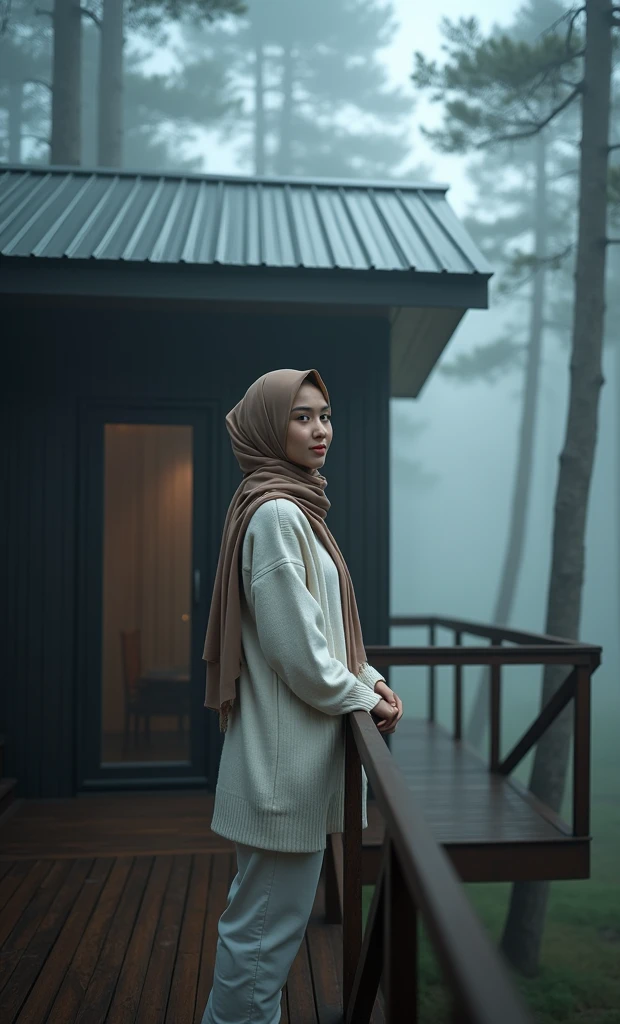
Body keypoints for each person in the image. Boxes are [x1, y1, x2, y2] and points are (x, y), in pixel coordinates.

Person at [200, 367, 403, 1024]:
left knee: (261, 935)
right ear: (268, 426)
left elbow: (320, 635)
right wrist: (360, 694)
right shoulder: (279, 513)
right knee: (260, 943)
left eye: (326, 415)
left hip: (290, 767)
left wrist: (367, 679)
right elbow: (299, 653)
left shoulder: (292, 507)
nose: (321, 430)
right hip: (281, 770)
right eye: (302, 416)